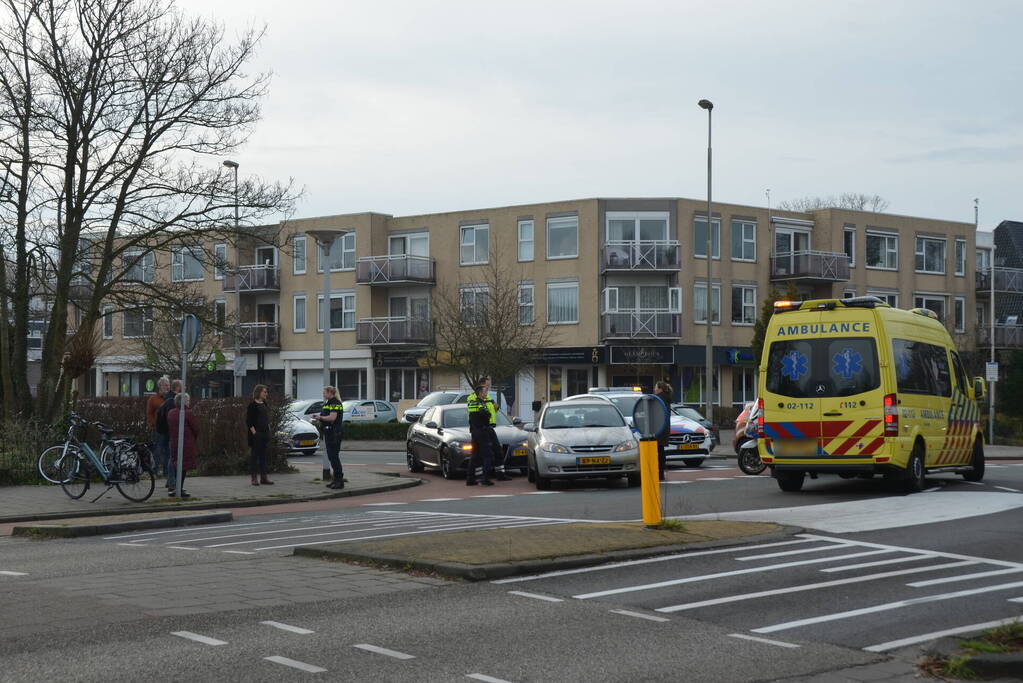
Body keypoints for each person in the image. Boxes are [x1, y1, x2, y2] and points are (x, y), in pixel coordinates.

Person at [311, 385, 345, 489]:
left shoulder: (334, 403)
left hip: (334, 433)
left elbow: (332, 418)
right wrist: (320, 417)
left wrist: (320, 417)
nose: (323, 394)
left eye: (325, 392)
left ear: (330, 393)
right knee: (331, 457)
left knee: (334, 457)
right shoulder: (329, 403)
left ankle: (339, 481)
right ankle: (335, 480)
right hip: (330, 433)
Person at [166, 392, 198, 498]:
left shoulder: (171, 413)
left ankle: (176, 487)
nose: (189, 402)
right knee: (183, 466)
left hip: (174, 442)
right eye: (188, 401)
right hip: (186, 443)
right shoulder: (187, 413)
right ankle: (179, 489)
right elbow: (195, 428)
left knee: (176, 464)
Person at [155, 378, 183, 489]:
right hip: (169, 432)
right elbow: (171, 418)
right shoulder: (172, 400)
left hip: (166, 431)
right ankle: (171, 481)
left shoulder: (169, 398)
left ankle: (169, 479)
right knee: (172, 456)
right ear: (178, 388)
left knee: (169, 455)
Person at [246, 384, 273, 486]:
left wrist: (269, 430)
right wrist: (255, 434)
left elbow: (266, 419)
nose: (266, 394)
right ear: (259, 392)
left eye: (266, 392)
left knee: (263, 457)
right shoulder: (252, 405)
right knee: (254, 456)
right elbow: (249, 422)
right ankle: (254, 478)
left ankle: (263, 477)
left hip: (265, 433)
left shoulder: (264, 404)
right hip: (257, 435)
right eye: (264, 392)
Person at [146, 377, 170, 475]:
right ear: (160, 386)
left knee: (168, 451)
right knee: (157, 450)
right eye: (166, 385)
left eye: (168, 385)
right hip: (158, 430)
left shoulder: (170, 398)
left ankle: (166, 472)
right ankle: (154, 471)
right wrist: (153, 424)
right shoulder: (153, 399)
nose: (168, 387)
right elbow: (149, 413)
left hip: (168, 429)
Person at [653, 380, 674, 481]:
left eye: (656, 387)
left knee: (657, 452)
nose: (654, 389)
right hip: (664, 428)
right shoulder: (666, 398)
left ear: (660, 389)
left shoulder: (658, 399)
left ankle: (658, 473)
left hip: (658, 428)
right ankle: (660, 474)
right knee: (660, 451)